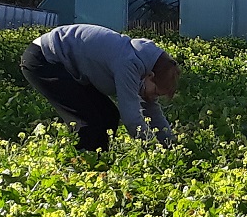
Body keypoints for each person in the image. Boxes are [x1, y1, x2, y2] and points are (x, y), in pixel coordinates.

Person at [20, 23, 179, 151]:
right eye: (156, 92)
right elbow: (131, 118)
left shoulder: (144, 69)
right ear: (150, 76)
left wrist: (170, 144)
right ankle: (82, 169)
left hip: (67, 67)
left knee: (108, 115)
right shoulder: (129, 63)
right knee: (88, 121)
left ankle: (99, 165)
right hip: (44, 60)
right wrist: (153, 148)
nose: (153, 98)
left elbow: (152, 110)